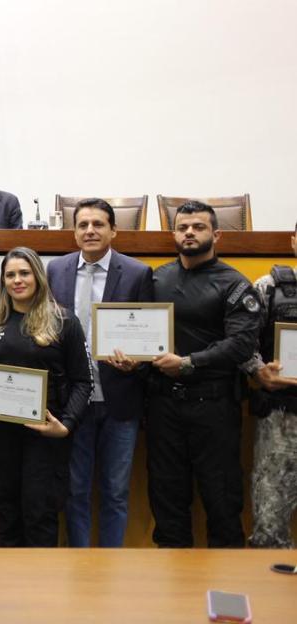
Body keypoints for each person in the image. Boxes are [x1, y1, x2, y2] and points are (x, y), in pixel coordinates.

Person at [139, 201, 259, 548]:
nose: (189, 232)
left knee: (222, 502)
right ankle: (175, 595)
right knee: (166, 500)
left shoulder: (235, 284)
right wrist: (130, 357)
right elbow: (136, 331)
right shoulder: (156, 278)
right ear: (173, 234)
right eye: (182, 227)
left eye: (198, 227)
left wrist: (189, 362)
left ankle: (227, 595)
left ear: (216, 234)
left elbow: (240, 345)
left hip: (214, 408)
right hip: (163, 407)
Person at [0, 247, 93, 547]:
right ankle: (10, 591)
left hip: (45, 437)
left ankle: (40, 593)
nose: (17, 280)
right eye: (10, 275)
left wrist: (66, 425)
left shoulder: (64, 322)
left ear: (38, 277)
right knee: (7, 512)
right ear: (3, 281)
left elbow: (84, 381)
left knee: (40, 515)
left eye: (24, 273)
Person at [48, 199, 154, 548]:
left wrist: (138, 360)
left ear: (113, 230)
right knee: (75, 490)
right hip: (74, 403)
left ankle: (112, 569)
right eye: (82, 225)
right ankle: (81, 565)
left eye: (98, 224)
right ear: (74, 231)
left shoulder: (137, 273)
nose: (90, 230)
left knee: (115, 491)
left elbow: (149, 334)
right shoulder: (56, 270)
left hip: (120, 399)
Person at [245, 222, 297, 548]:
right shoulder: (269, 287)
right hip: (282, 417)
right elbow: (241, 340)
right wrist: (259, 370)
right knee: (270, 523)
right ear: (294, 242)